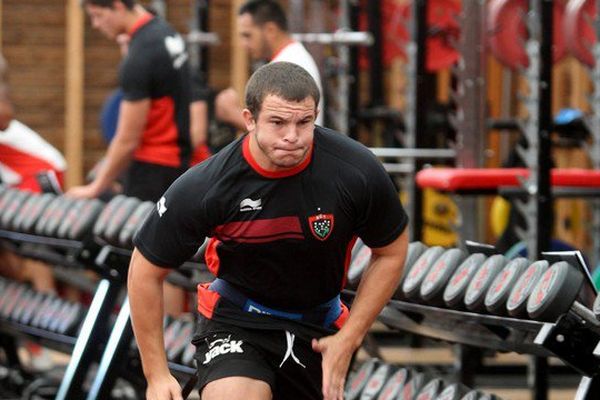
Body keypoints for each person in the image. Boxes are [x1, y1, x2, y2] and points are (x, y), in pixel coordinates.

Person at [128, 62, 408, 400]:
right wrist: (156, 374)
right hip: (237, 318)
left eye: (304, 122)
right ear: (249, 120)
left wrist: (351, 337)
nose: (292, 135)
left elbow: (391, 251)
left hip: (319, 326)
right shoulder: (207, 185)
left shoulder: (355, 170)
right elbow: (144, 270)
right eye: (277, 122)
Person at [69, 0, 191, 203]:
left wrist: (96, 187)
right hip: (176, 164)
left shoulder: (141, 54)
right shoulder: (165, 32)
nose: (95, 24)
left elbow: (127, 139)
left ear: (117, 6)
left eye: (98, 15)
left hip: (151, 169)